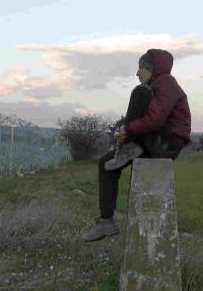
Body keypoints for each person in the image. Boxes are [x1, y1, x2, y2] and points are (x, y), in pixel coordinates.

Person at [81, 48, 191, 242]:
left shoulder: (165, 82)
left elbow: (155, 120)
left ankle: (126, 149)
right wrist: (126, 131)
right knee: (105, 164)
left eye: (141, 68)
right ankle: (106, 222)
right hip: (152, 142)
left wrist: (127, 130)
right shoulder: (158, 85)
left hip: (166, 145)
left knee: (140, 92)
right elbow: (150, 119)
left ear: (152, 69)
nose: (137, 73)